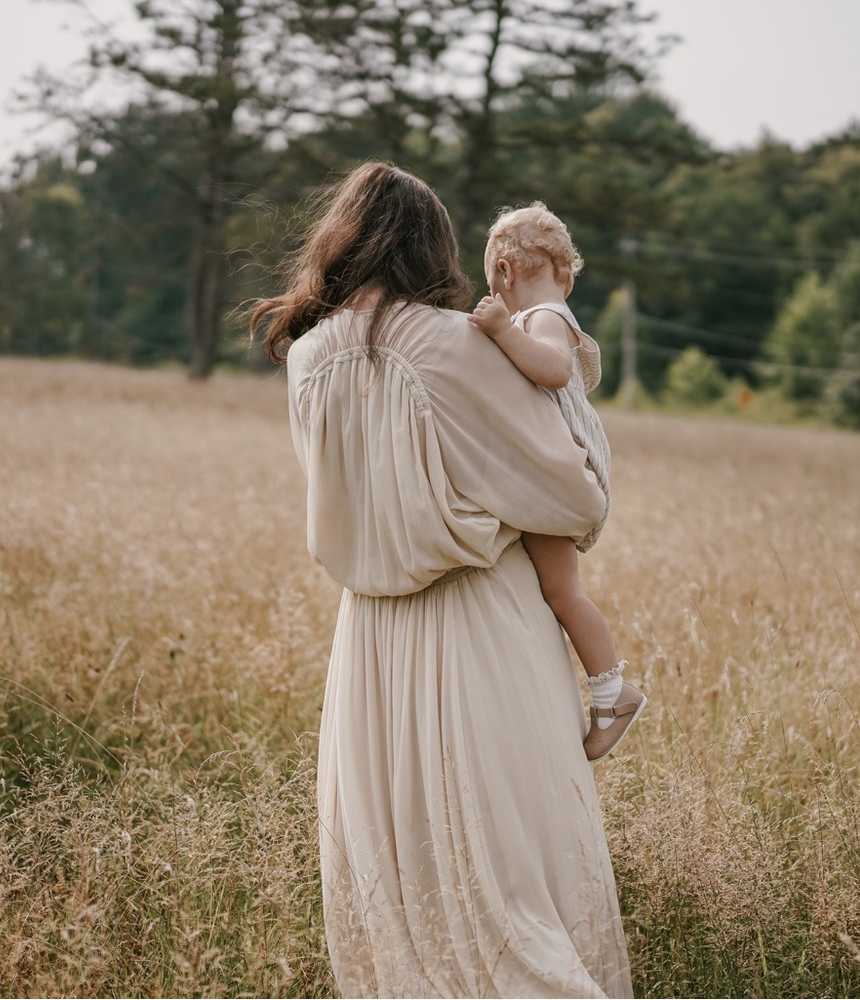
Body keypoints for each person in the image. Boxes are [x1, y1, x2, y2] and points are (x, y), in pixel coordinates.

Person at [250, 163, 633, 999]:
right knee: (512, 888)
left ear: (343, 240)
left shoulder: (307, 357)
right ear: (434, 245)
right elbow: (571, 491)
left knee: (404, 885)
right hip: (479, 630)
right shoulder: (455, 342)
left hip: (368, 650)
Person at [469, 203, 646, 762]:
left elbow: (554, 370)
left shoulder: (541, 318)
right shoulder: (543, 313)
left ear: (504, 271)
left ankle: (613, 694)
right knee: (553, 588)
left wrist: (500, 328)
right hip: (555, 468)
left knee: (562, 591)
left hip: (561, 473)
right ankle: (604, 690)